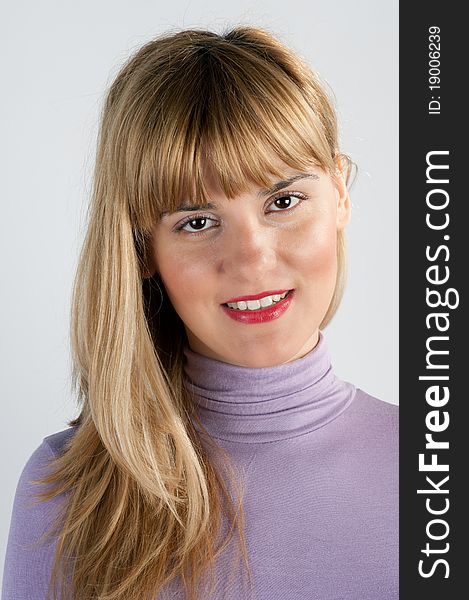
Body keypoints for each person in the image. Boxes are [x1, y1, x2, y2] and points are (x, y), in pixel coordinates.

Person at [1, 26, 398, 600]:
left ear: (339, 193)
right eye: (197, 222)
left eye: (283, 202)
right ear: (141, 249)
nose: (252, 258)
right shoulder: (67, 492)